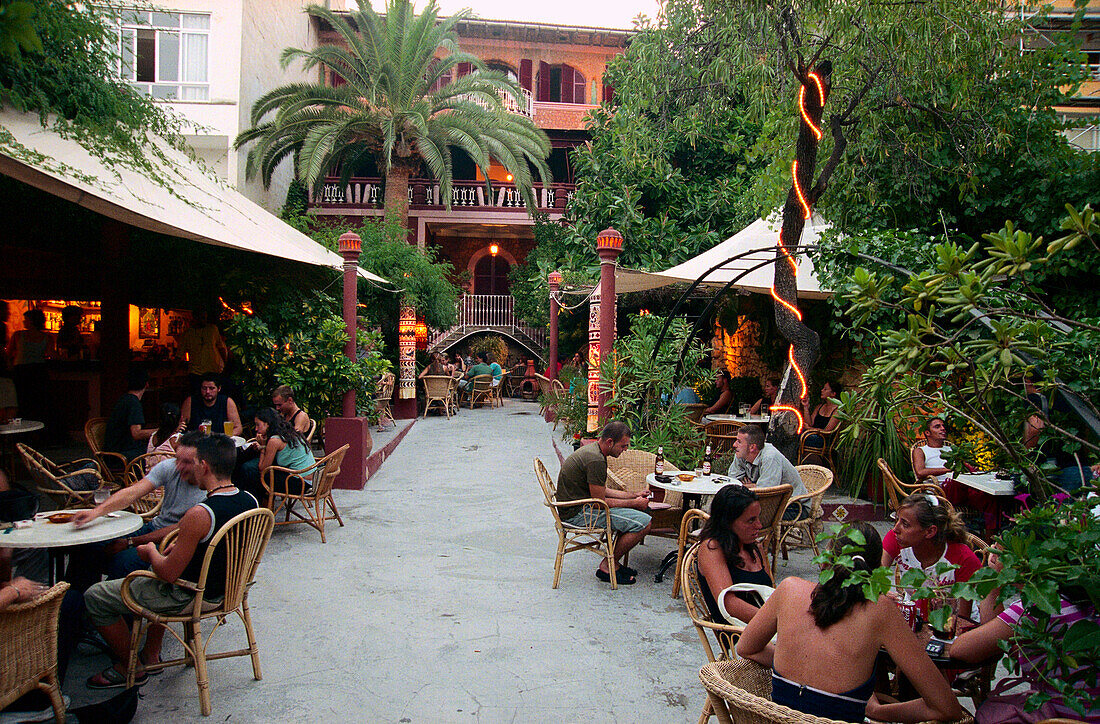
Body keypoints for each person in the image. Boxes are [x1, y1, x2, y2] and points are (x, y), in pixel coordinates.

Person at [737, 522, 963, 723]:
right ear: (873, 570)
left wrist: (797, 659)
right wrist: (877, 712)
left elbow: (746, 648)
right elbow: (947, 708)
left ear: (827, 558)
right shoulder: (880, 610)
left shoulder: (789, 589)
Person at [83, 434, 257, 689]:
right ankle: (143, 649)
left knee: (95, 596)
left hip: (190, 596)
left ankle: (130, 666)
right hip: (229, 592)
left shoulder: (200, 513)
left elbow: (166, 574)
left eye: (192, 462)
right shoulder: (250, 501)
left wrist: (150, 551)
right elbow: (221, 546)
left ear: (204, 466)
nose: (183, 468)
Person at [949, 554, 1100, 723]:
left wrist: (992, 581)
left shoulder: (1038, 608)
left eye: (1002, 553)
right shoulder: (1091, 598)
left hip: (1060, 716)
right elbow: (1007, 646)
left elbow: (961, 650)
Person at [68, 431, 211, 592]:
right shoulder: (170, 467)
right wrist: (94, 513)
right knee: (85, 546)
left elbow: (178, 529)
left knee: (122, 561)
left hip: (173, 542)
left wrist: (130, 542)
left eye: (187, 462)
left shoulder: (209, 489)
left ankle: (114, 609)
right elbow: (132, 492)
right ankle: (76, 606)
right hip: (153, 528)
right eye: (178, 459)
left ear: (203, 463)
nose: (179, 466)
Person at [556, 421, 652, 585]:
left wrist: (633, 495)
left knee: (636, 517)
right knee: (644, 523)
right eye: (623, 446)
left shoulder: (594, 451)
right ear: (609, 442)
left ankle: (613, 562)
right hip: (578, 514)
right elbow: (600, 503)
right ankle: (608, 565)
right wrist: (635, 503)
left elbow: (602, 490)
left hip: (578, 506)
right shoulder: (596, 460)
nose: (625, 450)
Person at [881, 493, 981, 621]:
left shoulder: (963, 558)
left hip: (950, 623)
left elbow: (962, 619)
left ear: (929, 531)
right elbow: (875, 577)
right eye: (897, 520)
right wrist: (883, 593)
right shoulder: (896, 540)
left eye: (905, 524)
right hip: (913, 615)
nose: (895, 529)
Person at [697, 485, 771, 626]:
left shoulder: (755, 548)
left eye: (758, 518)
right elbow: (729, 605)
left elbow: (770, 594)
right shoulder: (712, 549)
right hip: (737, 636)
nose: (759, 525)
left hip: (767, 629)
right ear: (728, 523)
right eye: (751, 520)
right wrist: (776, 622)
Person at [729, 424, 809, 520]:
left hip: (794, 506)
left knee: (741, 516)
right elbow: (732, 482)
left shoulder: (770, 457)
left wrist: (752, 487)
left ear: (752, 447)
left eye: (739, 442)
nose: (734, 445)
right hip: (769, 502)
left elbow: (766, 494)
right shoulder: (741, 453)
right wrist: (755, 486)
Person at [241, 407, 315, 503]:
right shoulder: (287, 432)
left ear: (267, 424)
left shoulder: (274, 440)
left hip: (301, 483)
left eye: (258, 425)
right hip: (312, 478)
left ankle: (257, 506)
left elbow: (263, 469)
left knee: (255, 475)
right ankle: (263, 506)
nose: (256, 429)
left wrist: (263, 446)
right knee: (253, 470)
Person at [7, 308, 53, 425]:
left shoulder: (18, 335)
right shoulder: (47, 337)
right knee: (37, 403)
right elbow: (51, 355)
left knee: (21, 402)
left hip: (21, 371)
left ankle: (21, 428)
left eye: (25, 320)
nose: (23, 322)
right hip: (38, 371)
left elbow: (9, 353)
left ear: (31, 321)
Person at [104, 367, 158, 461]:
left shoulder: (125, 400)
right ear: (147, 384)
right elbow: (136, 433)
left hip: (113, 453)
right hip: (121, 456)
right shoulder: (133, 403)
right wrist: (163, 431)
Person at [178, 310, 227, 396]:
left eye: (204, 318)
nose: (202, 320)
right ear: (194, 318)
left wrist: (225, 365)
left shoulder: (212, 329)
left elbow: (221, 348)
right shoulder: (188, 334)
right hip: (196, 373)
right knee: (197, 398)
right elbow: (179, 355)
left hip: (213, 371)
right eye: (200, 318)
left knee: (214, 397)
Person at [913, 417, 953, 483]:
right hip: (936, 488)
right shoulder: (920, 451)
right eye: (937, 427)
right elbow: (920, 472)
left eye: (943, 426)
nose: (943, 428)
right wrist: (948, 470)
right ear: (927, 433)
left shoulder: (951, 449)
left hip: (958, 484)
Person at [145, 402, 182, 470]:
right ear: (181, 419)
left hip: (149, 477)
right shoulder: (176, 439)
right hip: (167, 478)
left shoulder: (153, 436)